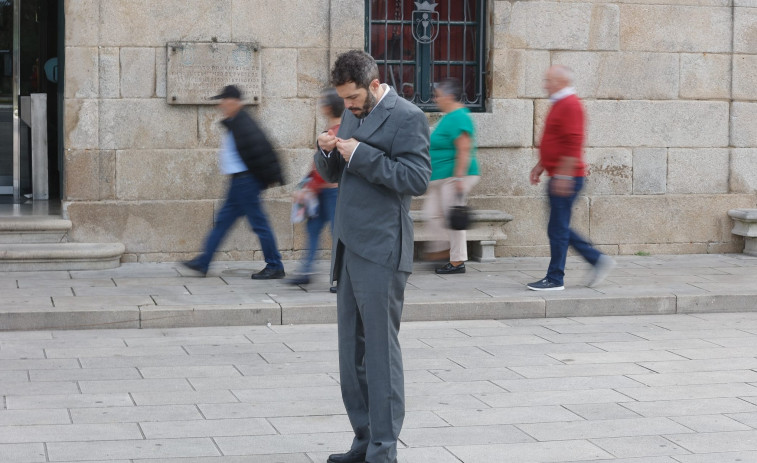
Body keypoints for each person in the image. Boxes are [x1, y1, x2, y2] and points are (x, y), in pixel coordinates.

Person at [314, 50, 431, 463]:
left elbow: (416, 179)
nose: (347, 106)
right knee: (352, 357)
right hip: (348, 245)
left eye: (352, 98)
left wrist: (360, 155)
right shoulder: (351, 112)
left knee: (380, 355)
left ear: (374, 83)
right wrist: (326, 150)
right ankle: (362, 442)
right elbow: (335, 174)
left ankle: (384, 450)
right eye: (343, 99)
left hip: (382, 248)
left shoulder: (408, 116)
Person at [182, 85, 286, 280]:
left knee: (259, 224)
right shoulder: (235, 122)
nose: (221, 104)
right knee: (222, 223)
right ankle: (203, 262)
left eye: (224, 100)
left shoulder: (243, 123)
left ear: (234, 101)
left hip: (245, 182)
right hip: (238, 183)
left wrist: (261, 180)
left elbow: (262, 152)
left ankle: (275, 265)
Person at [528, 65, 615, 291]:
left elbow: (573, 142)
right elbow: (556, 140)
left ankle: (556, 278)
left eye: (549, 81)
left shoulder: (570, 105)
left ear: (561, 82)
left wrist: (564, 176)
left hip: (566, 177)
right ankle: (595, 259)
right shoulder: (560, 104)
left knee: (558, 228)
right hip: (558, 174)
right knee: (558, 227)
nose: (545, 85)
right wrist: (541, 165)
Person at [421, 77, 481, 274]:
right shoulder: (447, 117)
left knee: (453, 217)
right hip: (441, 178)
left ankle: (457, 261)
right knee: (432, 214)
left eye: (438, 96)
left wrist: (459, 178)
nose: (435, 100)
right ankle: (441, 251)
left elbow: (463, 149)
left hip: (454, 177)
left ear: (449, 96)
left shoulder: (459, 117)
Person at [287, 88, 343, 292]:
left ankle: (341, 277)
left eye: (322, 103)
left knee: (337, 235)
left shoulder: (334, 132)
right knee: (316, 231)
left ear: (328, 107)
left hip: (331, 192)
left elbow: (324, 169)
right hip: (324, 191)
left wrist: (308, 186)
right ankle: (306, 271)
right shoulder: (336, 129)